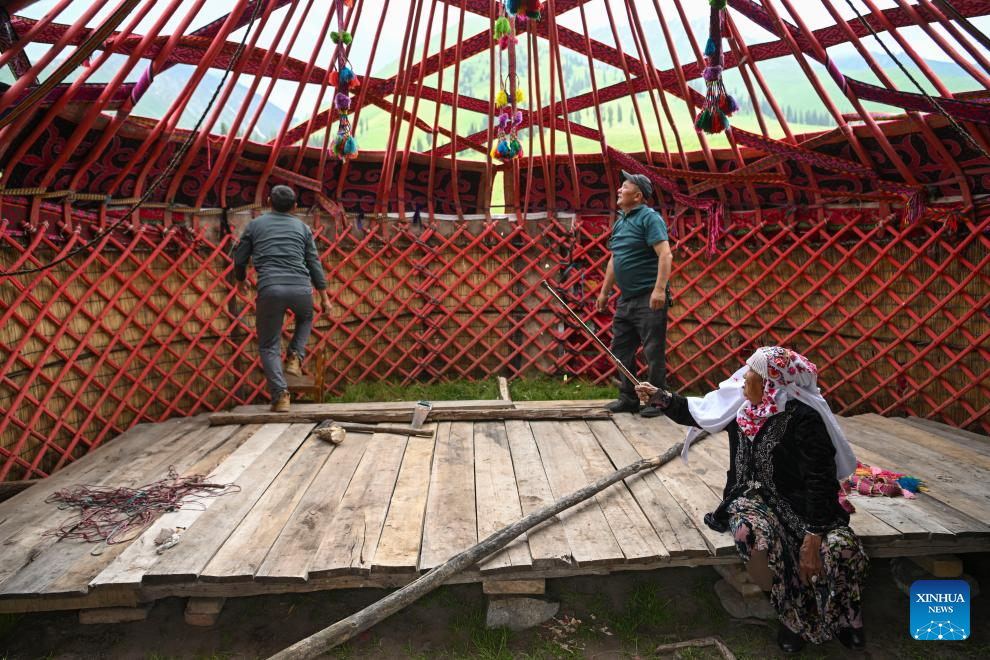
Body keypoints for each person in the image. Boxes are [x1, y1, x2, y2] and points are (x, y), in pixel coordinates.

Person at [635, 347, 866, 654]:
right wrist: (660, 397)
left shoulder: (804, 420)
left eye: (751, 375)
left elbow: (820, 480)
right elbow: (699, 411)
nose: (743, 379)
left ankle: (847, 617)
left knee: (840, 547)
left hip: (802, 504)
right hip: (750, 498)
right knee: (753, 537)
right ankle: (792, 615)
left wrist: (813, 536)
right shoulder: (743, 408)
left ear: (771, 384)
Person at [233, 185, 331, 413]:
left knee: (269, 346)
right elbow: (314, 263)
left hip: (271, 289)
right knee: (306, 317)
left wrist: (240, 280)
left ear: (268, 202)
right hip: (302, 289)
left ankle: (281, 397)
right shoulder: (303, 228)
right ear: (295, 207)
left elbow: (239, 259)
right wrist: (325, 298)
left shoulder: (255, 225)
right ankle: (296, 355)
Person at [597, 170, 673, 418]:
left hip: (649, 296)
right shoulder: (621, 221)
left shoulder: (649, 218)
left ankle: (658, 402)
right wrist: (604, 292)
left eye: (625, 187)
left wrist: (659, 289)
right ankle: (628, 398)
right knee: (620, 349)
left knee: (653, 351)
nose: (619, 190)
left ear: (638, 196)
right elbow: (615, 258)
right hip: (626, 298)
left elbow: (665, 254)